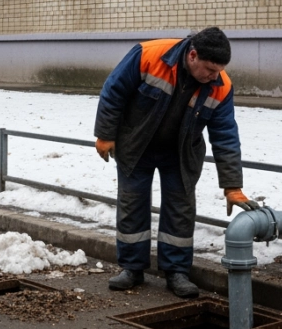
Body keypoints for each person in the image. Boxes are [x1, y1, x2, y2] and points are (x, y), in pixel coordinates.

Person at [93, 27, 257, 298]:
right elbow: (113, 92)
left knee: (180, 211)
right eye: (209, 69)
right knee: (132, 205)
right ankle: (131, 268)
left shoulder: (221, 86)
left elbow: (225, 135)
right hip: (137, 145)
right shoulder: (148, 55)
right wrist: (105, 134)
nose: (214, 76)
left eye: (219, 70)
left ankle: (177, 271)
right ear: (192, 55)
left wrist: (232, 185)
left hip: (181, 154)